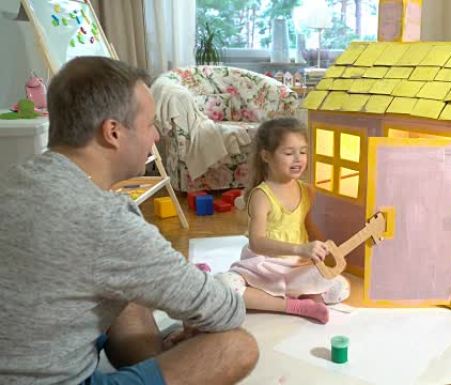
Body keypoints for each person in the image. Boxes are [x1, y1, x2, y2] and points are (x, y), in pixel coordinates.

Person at [0, 56, 258, 385]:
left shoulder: (14, 180)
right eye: (150, 123)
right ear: (113, 132)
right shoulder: (102, 218)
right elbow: (226, 311)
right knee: (236, 347)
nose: (157, 136)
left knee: (126, 287)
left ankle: (152, 361)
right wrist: (205, 310)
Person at [217, 118, 349, 324]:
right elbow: (256, 242)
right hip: (264, 265)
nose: (298, 159)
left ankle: (296, 294)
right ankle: (293, 305)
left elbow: (307, 225)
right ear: (266, 156)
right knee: (226, 286)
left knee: (341, 287)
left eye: (303, 152)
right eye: (289, 153)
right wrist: (300, 249)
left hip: (297, 266)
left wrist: (325, 250)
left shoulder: (306, 191)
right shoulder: (262, 195)